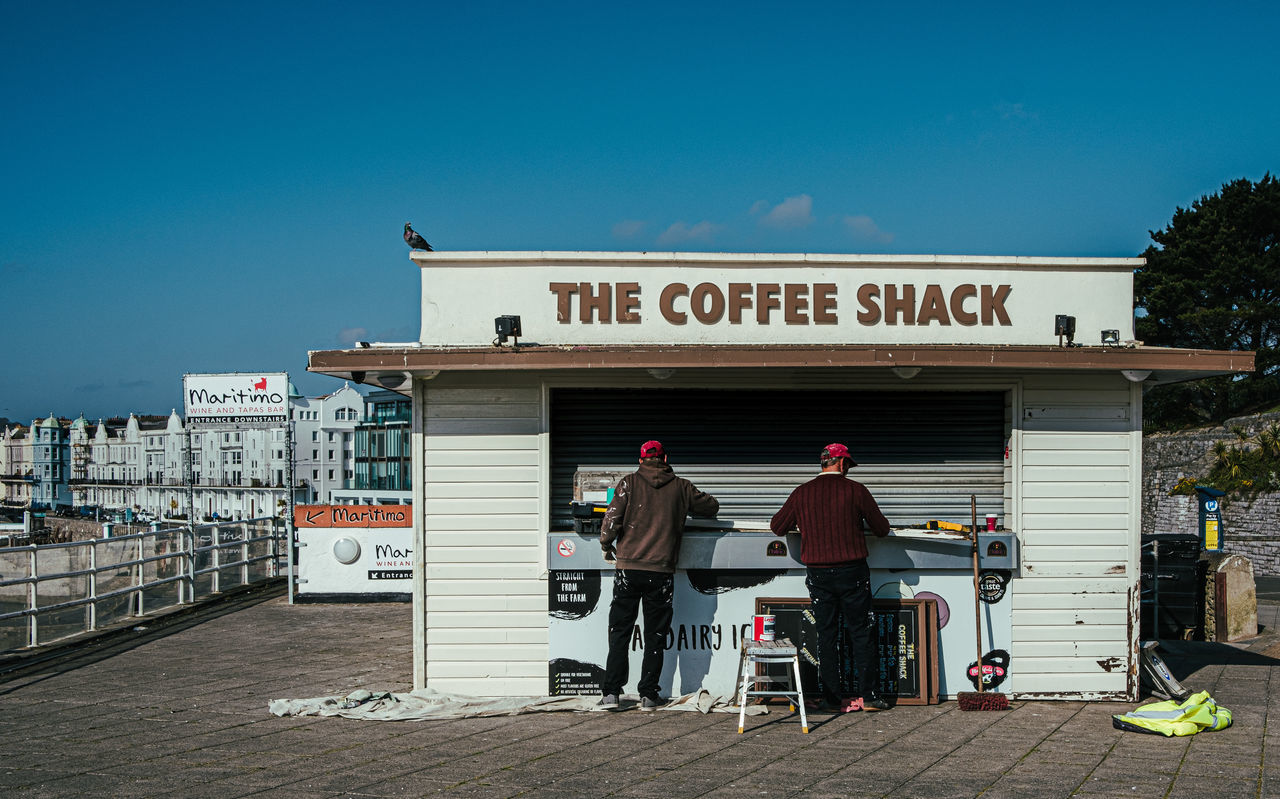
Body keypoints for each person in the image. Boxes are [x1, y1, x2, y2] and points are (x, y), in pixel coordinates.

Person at [770, 442, 892, 712]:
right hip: (853, 572)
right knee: (862, 633)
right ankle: (870, 696)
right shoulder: (856, 491)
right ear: (842, 463)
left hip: (818, 574)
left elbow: (777, 526)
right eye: (848, 464)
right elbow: (882, 529)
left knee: (826, 635)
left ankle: (831, 698)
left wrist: (806, 522)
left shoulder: (802, 493)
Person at [598, 440, 719, 711]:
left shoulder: (628, 483)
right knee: (655, 635)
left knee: (620, 631)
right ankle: (649, 695)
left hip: (628, 569)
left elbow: (611, 520)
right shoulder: (681, 487)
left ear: (641, 459)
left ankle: (611, 694)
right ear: (665, 458)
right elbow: (712, 507)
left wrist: (606, 544)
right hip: (660, 572)